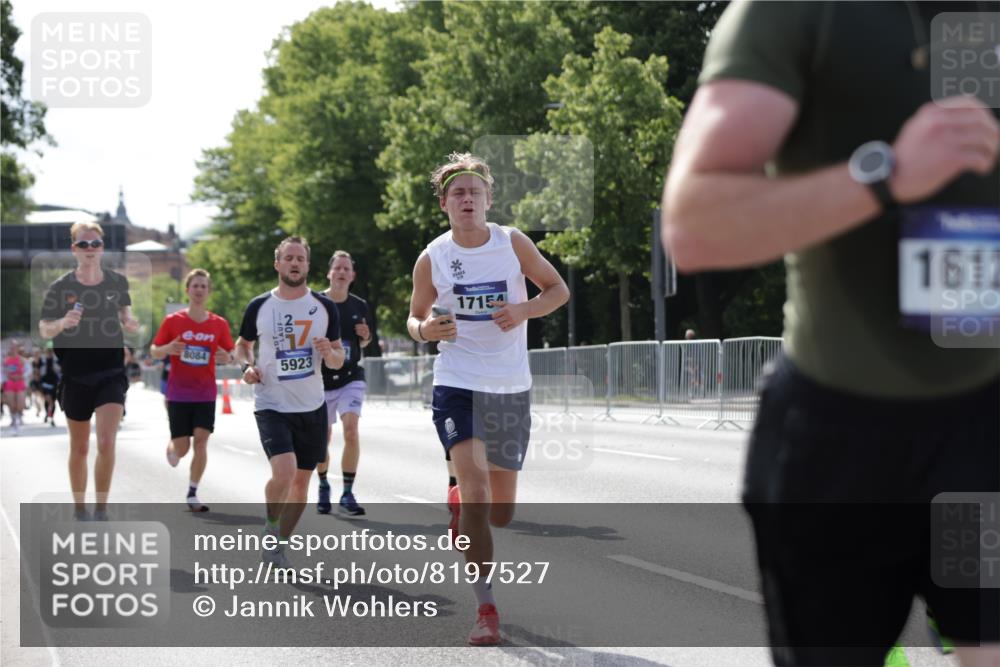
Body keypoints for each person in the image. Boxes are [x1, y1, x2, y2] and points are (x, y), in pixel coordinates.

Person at [662, 3, 999, 665]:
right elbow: (694, 225)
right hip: (839, 445)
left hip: (984, 437)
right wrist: (886, 176)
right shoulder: (796, 12)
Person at [407, 152, 569, 645]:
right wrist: (424, 329)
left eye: (475, 191)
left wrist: (523, 309)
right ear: (444, 204)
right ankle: (486, 610)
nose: (468, 199)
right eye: (458, 192)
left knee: (501, 511)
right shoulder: (432, 257)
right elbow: (414, 320)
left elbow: (557, 290)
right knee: (479, 497)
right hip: (457, 380)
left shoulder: (512, 242)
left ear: (489, 200)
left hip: (509, 385)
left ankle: (458, 501)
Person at [235, 236, 344, 567]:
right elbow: (242, 345)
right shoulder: (259, 306)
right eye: (288, 258)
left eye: (300, 258)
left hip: (311, 407)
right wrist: (246, 367)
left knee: (300, 484)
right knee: (283, 473)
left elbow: (339, 359)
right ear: (277, 264)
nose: (295, 263)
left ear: (308, 266)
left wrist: (330, 353)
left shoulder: (325, 308)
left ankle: (279, 544)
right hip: (271, 403)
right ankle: (270, 526)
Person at [39, 221, 140, 521]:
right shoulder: (60, 288)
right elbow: (44, 327)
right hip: (75, 373)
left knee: (107, 441)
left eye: (95, 244)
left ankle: (102, 508)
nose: (90, 249)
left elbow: (126, 314)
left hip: (110, 371)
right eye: (83, 244)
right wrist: (62, 323)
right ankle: (80, 506)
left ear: (102, 248)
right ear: (74, 249)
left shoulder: (117, 282)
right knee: (80, 447)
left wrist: (130, 323)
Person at [150, 269, 235, 512]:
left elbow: (230, 355)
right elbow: (154, 350)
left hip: (205, 393)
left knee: (201, 443)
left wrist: (226, 356)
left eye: (203, 286)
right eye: (195, 286)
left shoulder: (219, 324)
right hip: (178, 393)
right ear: (187, 290)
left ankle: (192, 492)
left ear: (209, 292)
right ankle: (172, 445)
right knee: (182, 449)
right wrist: (168, 348)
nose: (199, 290)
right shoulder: (173, 321)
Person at [315, 250, 375, 516]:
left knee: (351, 430)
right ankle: (324, 484)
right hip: (320, 381)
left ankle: (348, 492)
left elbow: (366, 340)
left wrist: (365, 336)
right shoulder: (315, 302)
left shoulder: (360, 305)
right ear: (329, 273)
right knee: (322, 438)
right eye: (337, 268)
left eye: (346, 268)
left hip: (351, 376)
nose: (341, 272)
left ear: (353, 275)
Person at [2, 340, 28, 435]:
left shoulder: (22, 360)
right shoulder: (6, 360)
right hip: (9, 383)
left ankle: (18, 418)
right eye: (11, 347)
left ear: (17, 348)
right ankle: (14, 424)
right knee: (12, 405)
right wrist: (4, 381)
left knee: (20, 405)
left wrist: (22, 376)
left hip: (20, 383)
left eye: (14, 347)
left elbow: (28, 371)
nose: (13, 349)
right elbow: (2, 372)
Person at [39, 347, 60, 427]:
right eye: (47, 351)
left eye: (50, 351)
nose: (49, 352)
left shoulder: (56, 360)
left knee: (53, 401)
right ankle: (48, 414)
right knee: (48, 399)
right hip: (45, 382)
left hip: (54, 382)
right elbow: (38, 370)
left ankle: (51, 416)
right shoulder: (42, 360)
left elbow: (60, 369)